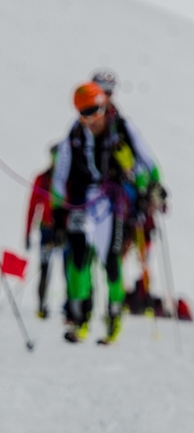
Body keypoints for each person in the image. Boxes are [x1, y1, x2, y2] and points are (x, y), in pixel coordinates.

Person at [52, 81, 151, 344]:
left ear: (104, 106)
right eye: (84, 113)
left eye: (95, 111)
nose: (91, 119)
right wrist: (57, 211)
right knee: (79, 261)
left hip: (112, 203)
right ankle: (80, 320)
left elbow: (145, 165)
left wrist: (144, 191)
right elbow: (60, 176)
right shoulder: (73, 135)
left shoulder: (121, 130)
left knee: (111, 262)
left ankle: (114, 320)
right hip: (82, 203)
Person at [91, 69, 168, 315]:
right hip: (99, 201)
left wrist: (152, 188)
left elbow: (146, 160)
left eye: (107, 92)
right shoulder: (84, 125)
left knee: (131, 250)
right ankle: (108, 298)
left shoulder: (121, 125)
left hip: (128, 201)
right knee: (104, 253)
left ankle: (133, 298)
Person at [24, 145, 67, 318]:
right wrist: (27, 232)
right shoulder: (42, 179)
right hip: (46, 230)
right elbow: (32, 206)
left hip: (64, 230)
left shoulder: (67, 179)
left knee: (67, 268)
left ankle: (69, 305)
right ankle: (41, 305)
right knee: (44, 268)